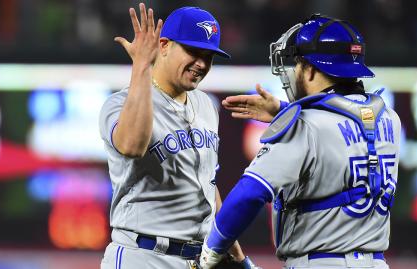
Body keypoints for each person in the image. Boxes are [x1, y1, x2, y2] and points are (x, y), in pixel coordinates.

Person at [199, 14, 401, 269]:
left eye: (298, 64)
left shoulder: (303, 125)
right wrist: (284, 110)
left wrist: (211, 250)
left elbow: (249, 194)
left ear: (312, 69)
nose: (294, 71)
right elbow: (340, 122)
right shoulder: (389, 118)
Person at [99, 3, 261, 269]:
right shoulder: (118, 104)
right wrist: (141, 64)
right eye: (193, 52)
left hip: (197, 259)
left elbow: (208, 185)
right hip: (142, 255)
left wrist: (236, 254)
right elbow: (131, 145)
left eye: (209, 56)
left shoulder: (206, 105)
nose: (201, 64)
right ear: (163, 45)